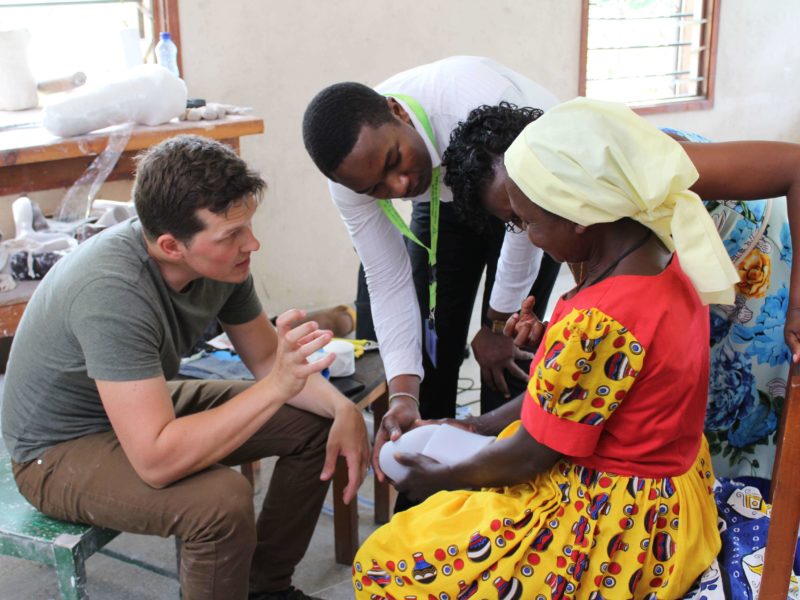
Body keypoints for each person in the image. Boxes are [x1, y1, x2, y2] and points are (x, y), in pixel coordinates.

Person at [351, 97, 735, 599]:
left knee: (386, 562)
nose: (529, 237)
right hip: (673, 496)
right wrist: (476, 425)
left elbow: (531, 455)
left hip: (623, 529)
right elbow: (581, 403)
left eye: (529, 222)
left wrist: (446, 476)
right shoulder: (668, 253)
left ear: (578, 215)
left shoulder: (598, 319)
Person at [1, 135, 370, 600]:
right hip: (55, 450)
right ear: (172, 246)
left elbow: (261, 358)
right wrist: (277, 386)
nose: (251, 243)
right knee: (220, 504)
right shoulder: (112, 292)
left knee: (314, 423)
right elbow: (157, 461)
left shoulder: (224, 268)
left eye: (247, 226)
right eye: (231, 235)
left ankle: (265, 589)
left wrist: (343, 410)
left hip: (137, 407)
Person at [445, 102, 800, 480]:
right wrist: (557, 340)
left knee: (754, 426)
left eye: (526, 210)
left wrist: (797, 305)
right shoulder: (582, 225)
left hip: (764, 276)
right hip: (693, 302)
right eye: (514, 220)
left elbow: (794, 167)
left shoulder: (639, 162)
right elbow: (614, 334)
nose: (528, 226)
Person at [301, 57, 562, 448]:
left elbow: (523, 229)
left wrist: (494, 325)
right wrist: (404, 393)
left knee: (509, 349)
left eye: (394, 161)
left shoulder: (475, 101)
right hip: (444, 201)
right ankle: (428, 479)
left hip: (528, 192)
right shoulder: (351, 180)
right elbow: (387, 280)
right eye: (377, 188)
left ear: (398, 111)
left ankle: (503, 470)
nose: (400, 184)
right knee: (430, 347)